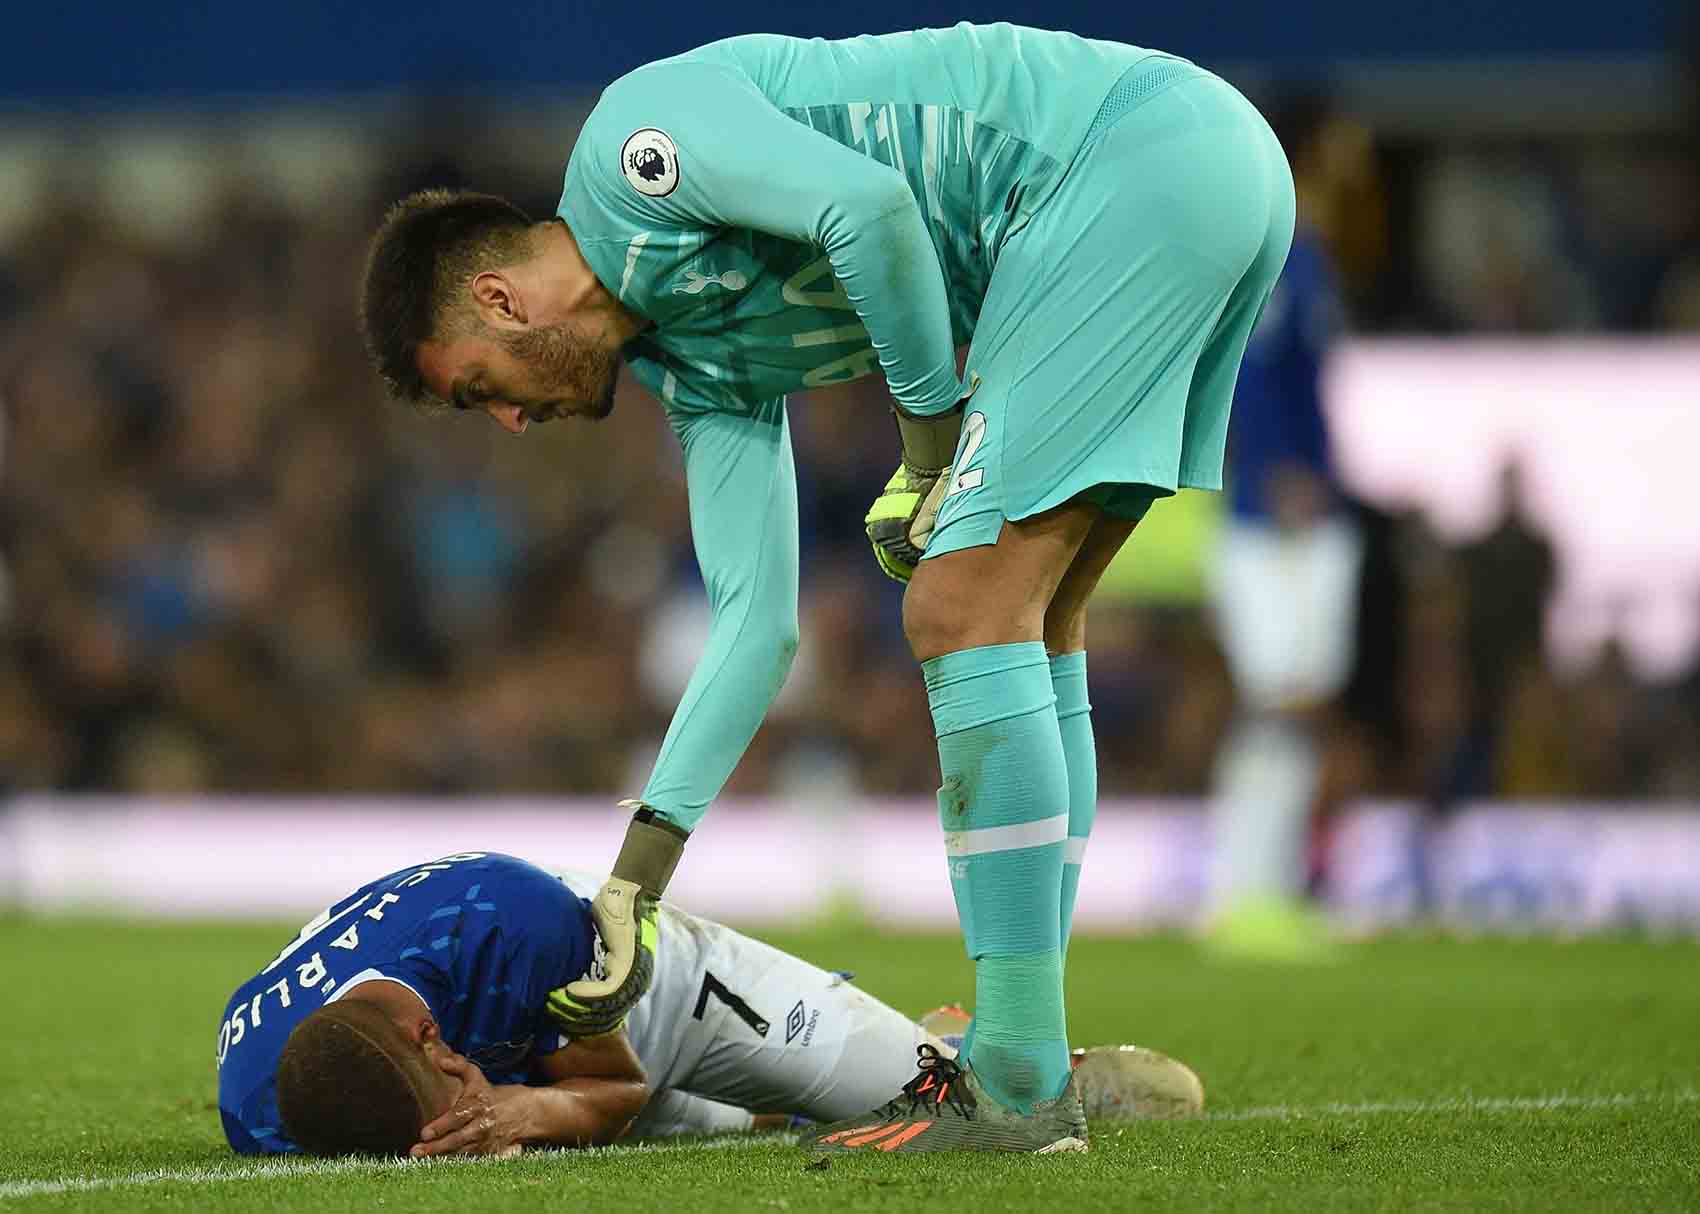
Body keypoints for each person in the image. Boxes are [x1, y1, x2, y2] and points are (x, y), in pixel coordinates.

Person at [360, 22, 1291, 1153]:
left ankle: (1012, 1077)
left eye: (477, 391)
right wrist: (632, 886)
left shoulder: (630, 150)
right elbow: (754, 627)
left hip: (1116, 161)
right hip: (1191, 174)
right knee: (1032, 621)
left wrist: (924, 450)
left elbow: (873, 212)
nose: (508, 420)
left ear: (502, 302)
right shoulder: (694, 368)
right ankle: (1019, 1046)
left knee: (956, 605)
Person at [217, 850, 1201, 1156]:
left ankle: (978, 1052)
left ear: (432, 1032)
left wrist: (525, 1105)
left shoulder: (505, 920)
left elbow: (614, 1084)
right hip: (530, 1039)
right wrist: (486, 1099)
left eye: (452, 1091)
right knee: (745, 1129)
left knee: (969, 1116)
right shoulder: (258, 1100)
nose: (460, 1110)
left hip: (653, 999)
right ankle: (790, 1091)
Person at [1206, 90, 1365, 960]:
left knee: (1300, 707)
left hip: (1304, 511)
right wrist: (1277, 472)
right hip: (1276, 517)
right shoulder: (1279, 260)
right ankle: (1245, 897)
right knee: (1277, 702)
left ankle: (1270, 892)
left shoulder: (1309, 260)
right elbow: (1256, 383)